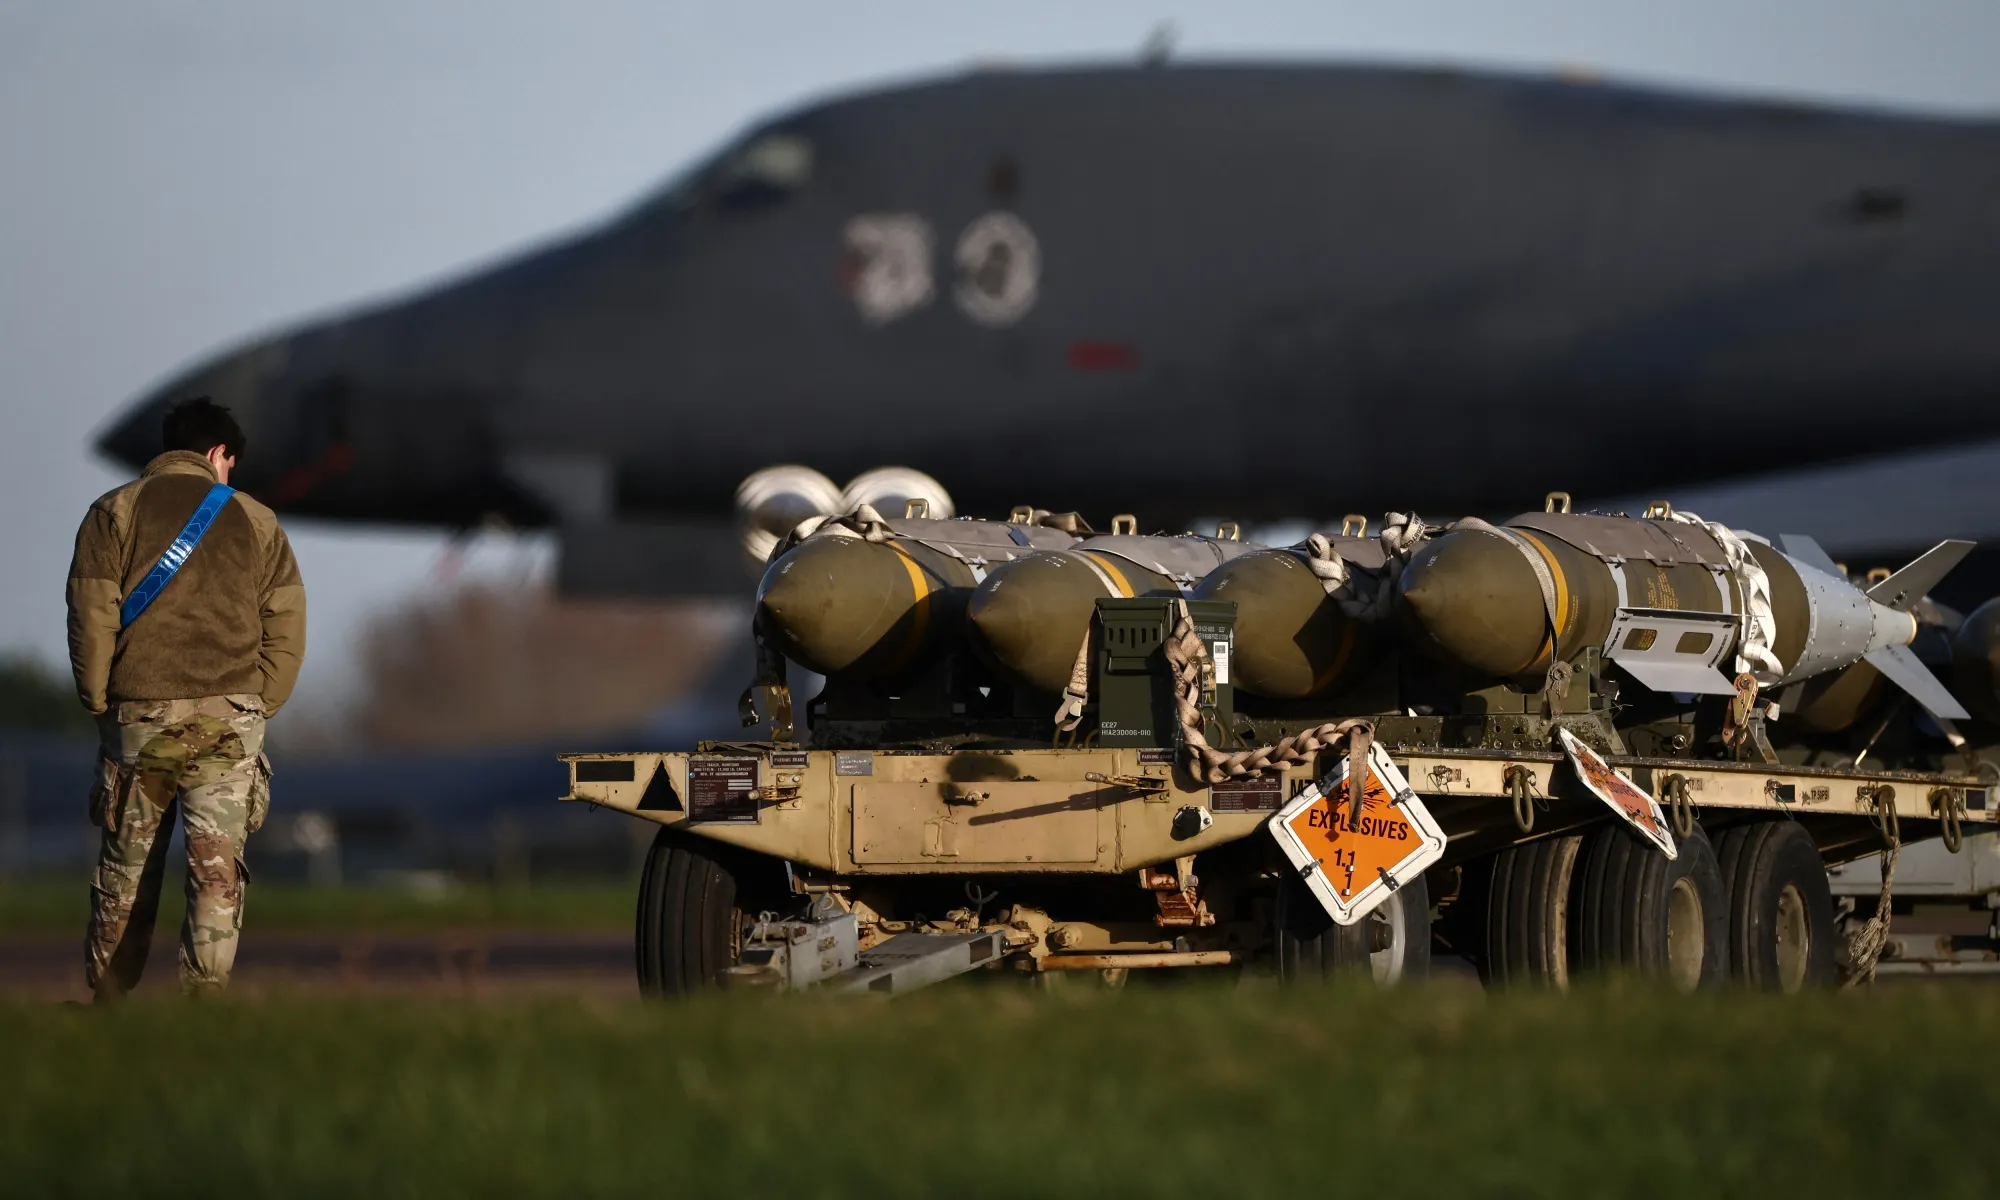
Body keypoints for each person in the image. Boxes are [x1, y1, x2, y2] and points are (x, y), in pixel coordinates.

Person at [65, 397, 305, 999]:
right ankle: (203, 1006)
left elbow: (91, 616)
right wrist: (257, 704)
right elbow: (287, 627)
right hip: (229, 724)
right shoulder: (256, 520)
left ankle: (110, 1003)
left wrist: (100, 702)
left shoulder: (112, 511)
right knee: (216, 872)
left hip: (141, 718)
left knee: (127, 870)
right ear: (220, 454)